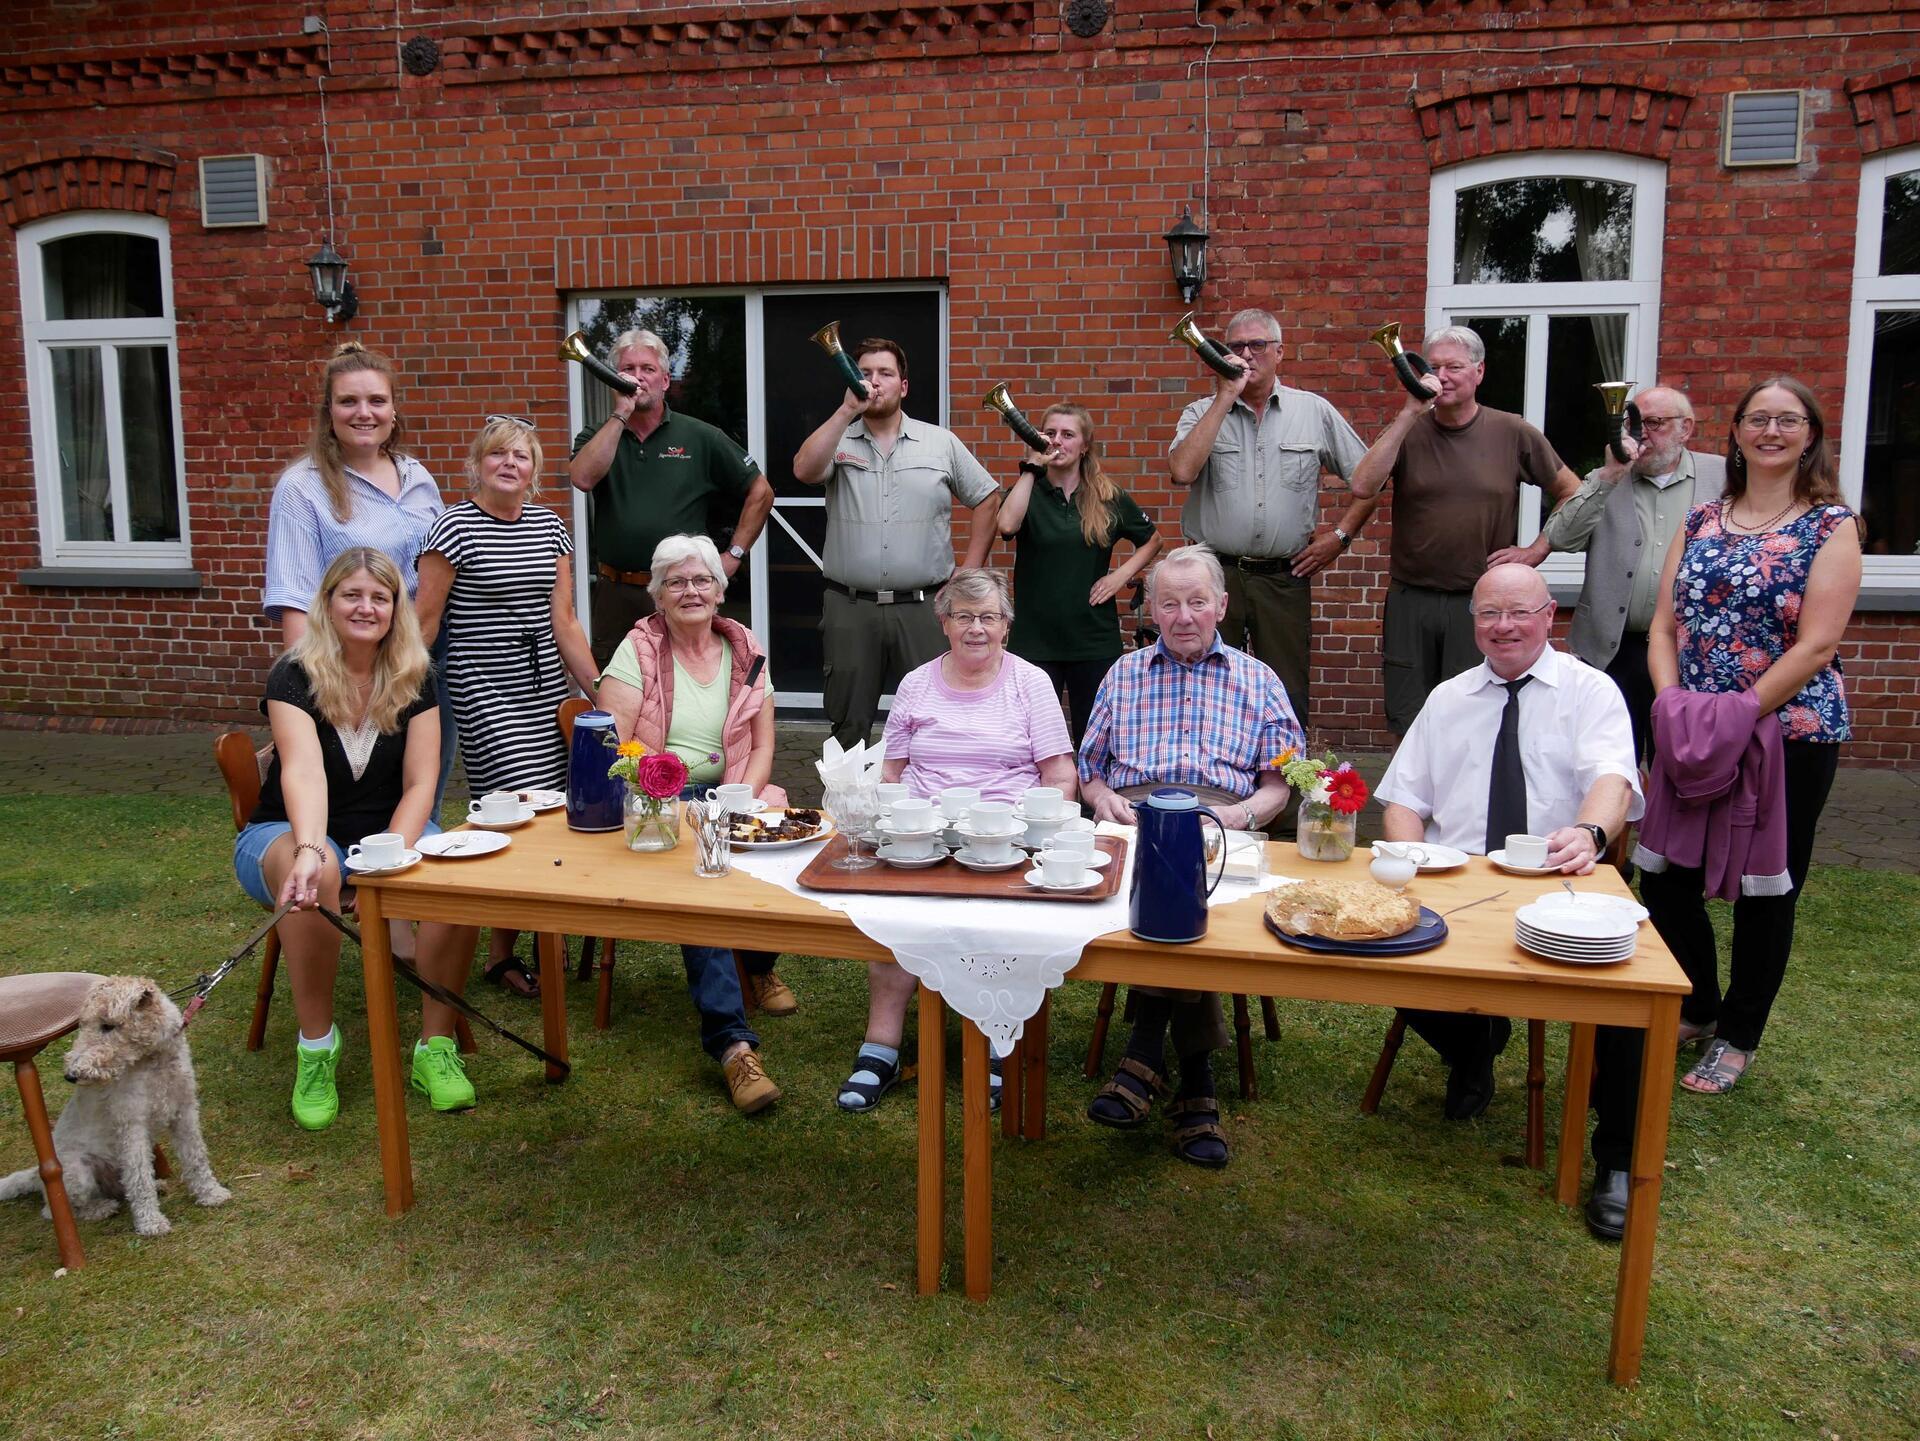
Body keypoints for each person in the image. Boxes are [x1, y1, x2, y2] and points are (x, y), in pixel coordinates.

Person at [1372, 562, 1643, 1239]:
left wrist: (1590, 831)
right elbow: (1404, 799)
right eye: (1490, 613)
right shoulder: (1448, 698)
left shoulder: (1591, 691)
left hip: (1561, 881)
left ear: (1549, 615)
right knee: (1384, 949)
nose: (1504, 626)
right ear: (1475, 623)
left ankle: (1615, 1160)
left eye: (1519, 611)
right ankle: (1474, 1041)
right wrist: (1407, 860)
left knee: (1627, 999)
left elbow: (1613, 777)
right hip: (1456, 884)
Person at [1641, 377, 1861, 1099]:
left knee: (1769, 887)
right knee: (1667, 875)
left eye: (1787, 419)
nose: (1771, 430)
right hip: (1693, 728)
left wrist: (1737, 712)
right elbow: (1664, 626)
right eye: (1758, 418)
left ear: (1810, 434)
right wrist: (1674, 703)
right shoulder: (1701, 518)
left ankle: (1739, 1034)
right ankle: (1699, 1003)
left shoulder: (1832, 526)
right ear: (1733, 432)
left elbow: (1817, 644)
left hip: (1787, 730)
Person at [233, 548, 481, 1130]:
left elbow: (422, 783)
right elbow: (302, 772)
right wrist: (313, 849)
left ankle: (434, 1048)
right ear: (328, 602)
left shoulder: (418, 675)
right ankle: (316, 1048)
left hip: (394, 828)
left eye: (380, 597)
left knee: (457, 879)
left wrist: (389, 855)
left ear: (396, 609)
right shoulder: (293, 673)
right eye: (352, 594)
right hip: (287, 827)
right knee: (314, 875)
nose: (366, 607)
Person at [1077, 545, 1304, 1168]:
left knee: (1184, 897)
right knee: (1168, 895)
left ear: (1222, 607)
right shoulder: (1123, 674)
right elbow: (1089, 774)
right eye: (1169, 603)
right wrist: (1104, 805)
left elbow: (1281, 783)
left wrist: (1238, 817)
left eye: (1197, 602)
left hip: (1222, 825)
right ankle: (1196, 1085)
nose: (1183, 616)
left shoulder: (1259, 680)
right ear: (1151, 608)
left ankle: (1146, 1054)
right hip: (1135, 819)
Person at [836, 570, 1076, 1114]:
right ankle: (882, 1046)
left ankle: (995, 1042)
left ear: (1006, 628)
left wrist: (1031, 830)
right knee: (896, 918)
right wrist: (896, 824)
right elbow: (890, 771)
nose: (976, 629)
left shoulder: (1030, 683)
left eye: (988, 617)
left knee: (997, 922)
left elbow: (1060, 775)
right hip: (923, 836)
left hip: (1005, 838)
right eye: (963, 617)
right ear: (943, 623)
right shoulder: (917, 684)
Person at [596, 535, 794, 1114]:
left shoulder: (746, 647)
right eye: (677, 582)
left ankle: (757, 964)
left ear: (720, 589)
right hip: (657, 796)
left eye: (702, 580)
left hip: (733, 789)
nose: (691, 591)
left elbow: (762, 743)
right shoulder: (638, 649)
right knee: (703, 877)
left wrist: (739, 797)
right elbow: (613, 742)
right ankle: (733, 1044)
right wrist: (672, 797)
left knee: (789, 847)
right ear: (657, 594)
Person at [415, 416, 600, 999]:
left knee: (555, 806)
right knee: (514, 806)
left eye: (521, 457)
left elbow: (564, 621)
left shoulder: (551, 528)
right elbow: (426, 621)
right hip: (482, 687)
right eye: (498, 455)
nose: (510, 464)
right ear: (477, 464)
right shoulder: (452, 529)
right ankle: (502, 952)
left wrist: (600, 691)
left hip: (545, 686)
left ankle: (542, 927)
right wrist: (394, 693)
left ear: (535, 472)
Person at [1350, 326, 1582, 733]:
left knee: (1475, 716)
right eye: (1434, 367)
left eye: (1455, 367)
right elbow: (1362, 486)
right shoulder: (1409, 431)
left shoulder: (1512, 431)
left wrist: (1537, 551)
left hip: (1479, 604)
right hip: (1411, 599)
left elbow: (1573, 493)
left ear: (1479, 372)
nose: (1443, 376)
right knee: (1409, 718)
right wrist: (1408, 412)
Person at [263, 342, 456, 806]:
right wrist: (305, 697)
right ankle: (326, 871)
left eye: (376, 401)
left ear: (393, 410)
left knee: (420, 793)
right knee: (348, 800)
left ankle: (402, 878)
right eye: (348, 401)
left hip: (424, 663)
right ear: (328, 411)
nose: (363, 412)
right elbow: (295, 602)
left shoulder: (419, 477)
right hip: (348, 670)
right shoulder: (302, 488)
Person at [1167, 308, 1377, 726]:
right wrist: (1227, 395)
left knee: (1286, 692)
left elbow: (1371, 479)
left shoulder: (1312, 411)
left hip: (1284, 577)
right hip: (1213, 574)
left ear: (1280, 352)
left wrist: (1341, 535)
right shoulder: (1201, 412)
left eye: (1257, 345)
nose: (1246, 355)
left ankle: (1286, 787)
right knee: (1201, 685)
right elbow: (1182, 472)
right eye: (1236, 347)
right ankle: (1204, 785)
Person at [792, 337, 1002, 748]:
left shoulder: (939, 443)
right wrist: (847, 409)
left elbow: (988, 497)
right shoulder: (841, 440)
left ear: (903, 386)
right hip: (851, 608)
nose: (874, 382)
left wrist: (971, 570)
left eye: (885, 373)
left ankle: (933, 805)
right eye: (864, 372)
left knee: (934, 718)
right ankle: (851, 810)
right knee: (847, 726)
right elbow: (804, 469)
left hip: (923, 608)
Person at [1514, 386, 1726, 762]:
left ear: (1686, 428)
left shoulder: (1723, 477)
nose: (1643, 433)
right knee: (1611, 761)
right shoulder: (1608, 479)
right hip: (1613, 649)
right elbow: (1562, 537)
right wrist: (1610, 474)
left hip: (1688, 649)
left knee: (1678, 758)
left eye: (1656, 424)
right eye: (1635, 423)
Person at [567, 330, 775, 667]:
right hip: (616, 590)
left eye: (647, 369)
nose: (637, 378)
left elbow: (761, 491)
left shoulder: (699, 436)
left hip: (679, 589)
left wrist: (733, 555)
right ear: (612, 379)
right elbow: (582, 478)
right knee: (617, 686)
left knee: (683, 682)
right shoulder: (597, 435)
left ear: (665, 380)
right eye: (627, 369)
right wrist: (620, 415)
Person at [998, 403, 1162, 742]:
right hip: (1035, 640)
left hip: (1093, 639)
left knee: (1095, 738)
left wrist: (1118, 577)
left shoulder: (1107, 495)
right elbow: (1006, 524)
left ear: (1085, 445)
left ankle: (1092, 798)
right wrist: (1031, 468)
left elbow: (1152, 540)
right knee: (1034, 739)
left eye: (1068, 435)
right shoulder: (1029, 490)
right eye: (1051, 433)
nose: (1057, 441)